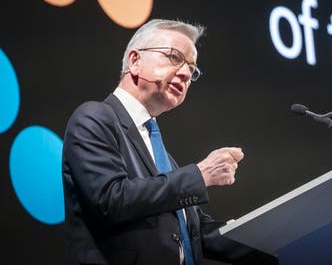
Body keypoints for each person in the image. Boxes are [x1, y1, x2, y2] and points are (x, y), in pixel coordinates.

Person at [62, 19, 274, 265]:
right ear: (135, 61)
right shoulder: (94, 117)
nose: (185, 73)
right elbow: (110, 199)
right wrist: (200, 174)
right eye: (174, 57)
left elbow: (193, 231)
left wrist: (270, 243)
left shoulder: (165, 158)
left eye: (191, 69)